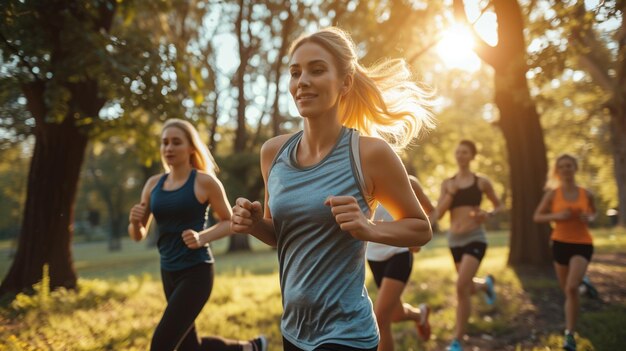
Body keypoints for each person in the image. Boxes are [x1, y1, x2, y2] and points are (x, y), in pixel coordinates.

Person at [231, 27, 434, 351]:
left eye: (317, 69)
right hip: (294, 329)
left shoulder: (369, 154)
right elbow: (279, 235)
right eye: (295, 73)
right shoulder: (273, 153)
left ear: (346, 82)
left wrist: (369, 227)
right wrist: (255, 225)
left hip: (347, 333)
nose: (303, 81)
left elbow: (421, 229)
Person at [128, 118, 267, 351]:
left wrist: (203, 237)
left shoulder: (204, 182)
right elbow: (137, 235)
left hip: (197, 272)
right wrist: (134, 222)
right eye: (165, 143)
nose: (169, 148)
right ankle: (251, 348)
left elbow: (229, 221)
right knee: (188, 346)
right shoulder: (153, 185)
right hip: (168, 271)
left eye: (176, 142)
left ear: (191, 147)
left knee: (161, 344)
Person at [432, 140, 504, 351]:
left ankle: (457, 340)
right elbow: (439, 213)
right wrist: (451, 193)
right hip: (454, 240)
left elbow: (498, 206)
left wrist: (487, 214)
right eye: (458, 152)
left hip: (475, 238)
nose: (461, 155)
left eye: (465, 152)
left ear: (472, 156)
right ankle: (484, 285)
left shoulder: (481, 182)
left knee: (460, 286)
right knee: (468, 287)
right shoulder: (447, 183)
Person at [533, 154, 596, 351]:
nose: (566, 169)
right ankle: (584, 286)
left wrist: (589, 217)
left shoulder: (586, 193)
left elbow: (594, 213)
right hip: (560, 243)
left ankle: (569, 334)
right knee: (568, 290)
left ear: (575, 168)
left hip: (582, 243)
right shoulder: (552, 194)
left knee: (570, 288)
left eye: (569, 166)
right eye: (562, 167)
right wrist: (557, 215)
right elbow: (537, 216)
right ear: (557, 171)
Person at [366, 175, 434, 351]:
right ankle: (420, 314)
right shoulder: (363, 179)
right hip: (373, 257)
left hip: (399, 253)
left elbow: (431, 212)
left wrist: (417, 238)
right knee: (396, 314)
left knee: (381, 319)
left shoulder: (408, 182)